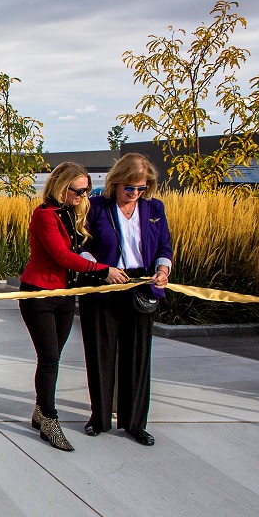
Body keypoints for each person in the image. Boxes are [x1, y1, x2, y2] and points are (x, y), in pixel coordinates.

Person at [18, 162, 124, 451]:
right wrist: (103, 270)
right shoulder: (45, 215)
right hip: (39, 292)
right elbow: (62, 256)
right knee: (49, 356)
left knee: (53, 358)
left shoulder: (73, 213)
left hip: (65, 294)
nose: (83, 195)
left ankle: (41, 410)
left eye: (87, 190)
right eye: (78, 190)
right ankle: (49, 419)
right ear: (61, 187)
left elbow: (82, 248)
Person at [80, 153, 173, 446]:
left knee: (137, 356)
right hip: (104, 284)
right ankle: (100, 417)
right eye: (129, 188)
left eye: (141, 188)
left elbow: (164, 247)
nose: (134, 194)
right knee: (100, 352)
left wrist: (162, 269)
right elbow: (79, 248)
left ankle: (135, 423)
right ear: (115, 183)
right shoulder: (96, 207)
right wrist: (101, 270)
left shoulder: (154, 208)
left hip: (141, 286)